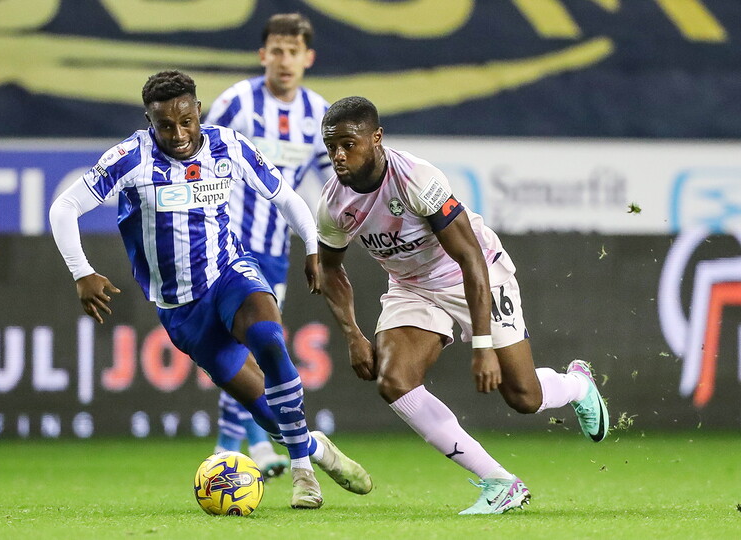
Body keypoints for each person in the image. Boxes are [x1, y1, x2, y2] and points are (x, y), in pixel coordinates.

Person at [48, 70, 372, 509]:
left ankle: (302, 474)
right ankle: (317, 449)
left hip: (230, 273)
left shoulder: (229, 146)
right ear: (150, 121)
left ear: (198, 111)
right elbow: (65, 206)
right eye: (165, 125)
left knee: (269, 338)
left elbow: (287, 197)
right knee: (263, 408)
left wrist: (312, 249)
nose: (178, 134)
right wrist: (80, 271)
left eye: (186, 121)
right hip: (180, 308)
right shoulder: (130, 159)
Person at [316, 96, 609, 515]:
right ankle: (500, 483)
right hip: (411, 287)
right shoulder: (332, 203)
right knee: (393, 379)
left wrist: (483, 344)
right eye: (331, 147)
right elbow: (330, 270)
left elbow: (469, 257)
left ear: (376, 138)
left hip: (475, 273)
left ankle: (578, 385)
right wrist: (352, 334)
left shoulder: (417, 179)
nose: (339, 156)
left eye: (348, 144)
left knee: (522, 396)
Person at [203, 12, 332, 479]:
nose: (284, 60)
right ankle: (228, 447)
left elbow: (333, 180)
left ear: (307, 58)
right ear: (263, 55)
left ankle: (255, 443)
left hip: (276, 249)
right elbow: (198, 154)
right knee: (241, 346)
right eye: (276, 50)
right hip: (226, 246)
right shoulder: (235, 102)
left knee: (258, 348)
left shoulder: (318, 113)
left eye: (293, 51)